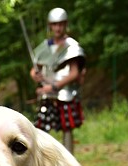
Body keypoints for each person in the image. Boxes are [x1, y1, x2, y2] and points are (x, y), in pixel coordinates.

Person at [29, 7, 85, 153]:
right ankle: (44, 163)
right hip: (47, 95)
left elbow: (74, 73)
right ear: (50, 25)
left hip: (65, 94)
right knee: (42, 130)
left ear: (65, 24)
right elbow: (36, 68)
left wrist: (54, 86)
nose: (58, 28)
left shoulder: (71, 46)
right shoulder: (45, 46)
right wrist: (35, 74)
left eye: (61, 24)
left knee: (67, 128)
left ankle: (69, 162)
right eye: (55, 24)